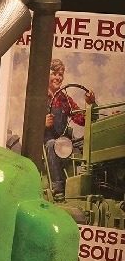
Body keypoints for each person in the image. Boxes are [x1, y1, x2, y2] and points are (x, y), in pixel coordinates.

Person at [44, 58, 96, 200]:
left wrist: (90, 104)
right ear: (46, 75)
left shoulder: (65, 99)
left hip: (65, 142)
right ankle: (58, 188)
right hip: (47, 142)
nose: (58, 77)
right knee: (52, 144)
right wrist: (42, 123)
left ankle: (91, 185)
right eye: (54, 73)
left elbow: (82, 120)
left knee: (88, 141)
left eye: (60, 74)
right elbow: (30, 124)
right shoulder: (39, 97)